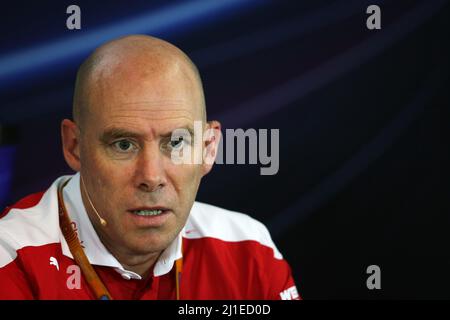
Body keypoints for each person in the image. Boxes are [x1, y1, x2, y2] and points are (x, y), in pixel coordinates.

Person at [0, 35, 300, 300]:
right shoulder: (10, 256)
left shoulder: (247, 246)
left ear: (208, 149)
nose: (151, 177)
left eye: (177, 143)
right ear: (74, 146)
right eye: (123, 145)